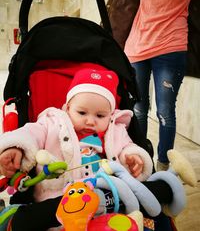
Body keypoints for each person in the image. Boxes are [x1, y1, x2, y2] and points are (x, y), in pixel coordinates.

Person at [0, 68, 194, 231]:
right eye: (82, 112)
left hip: (108, 202)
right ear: (67, 108)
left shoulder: (114, 130)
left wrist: (132, 156)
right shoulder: (52, 122)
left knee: (147, 222)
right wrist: (17, 147)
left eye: (100, 115)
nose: (90, 121)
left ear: (110, 115)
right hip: (56, 206)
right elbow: (30, 134)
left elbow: (127, 146)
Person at [121, 0, 200, 171]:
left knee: (165, 111)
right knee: (138, 108)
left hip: (171, 45)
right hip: (137, 45)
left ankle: (163, 168)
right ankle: (141, 164)